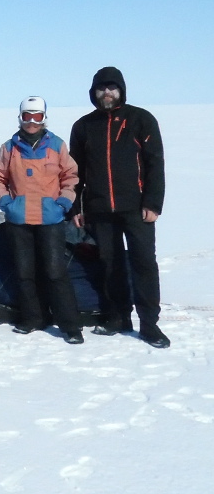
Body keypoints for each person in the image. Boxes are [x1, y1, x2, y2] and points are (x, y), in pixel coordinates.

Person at [69, 66, 169, 348]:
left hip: (136, 208)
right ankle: (118, 317)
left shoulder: (141, 119)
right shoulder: (84, 126)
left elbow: (154, 163)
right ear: (94, 93)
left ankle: (149, 324)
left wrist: (152, 202)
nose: (107, 93)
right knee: (109, 264)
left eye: (112, 88)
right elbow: (76, 172)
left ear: (121, 90)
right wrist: (76, 207)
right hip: (99, 209)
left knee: (144, 264)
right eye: (101, 88)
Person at [0, 96, 84, 344]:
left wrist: (63, 203)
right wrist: (6, 204)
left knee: (55, 272)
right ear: (20, 117)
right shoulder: (9, 148)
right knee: (24, 272)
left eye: (37, 116)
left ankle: (70, 326)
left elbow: (70, 177)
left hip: (50, 219)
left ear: (44, 118)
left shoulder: (57, 145)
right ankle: (33, 318)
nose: (32, 121)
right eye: (27, 116)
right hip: (19, 219)